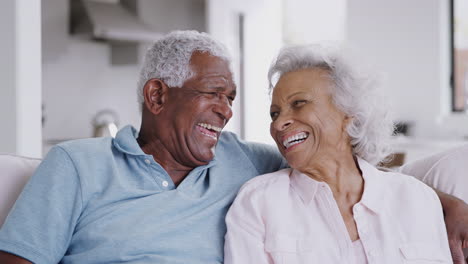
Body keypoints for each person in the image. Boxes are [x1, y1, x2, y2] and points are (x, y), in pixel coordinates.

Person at [0, 31, 466, 264]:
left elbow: (341, 170)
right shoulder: (76, 165)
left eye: (232, 99)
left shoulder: (245, 163)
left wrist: (444, 202)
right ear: (158, 96)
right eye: (212, 93)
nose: (226, 111)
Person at [224, 45, 453, 263]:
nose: (279, 123)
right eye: (274, 114)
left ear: (349, 113)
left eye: (299, 103)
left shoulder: (417, 199)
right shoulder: (258, 202)